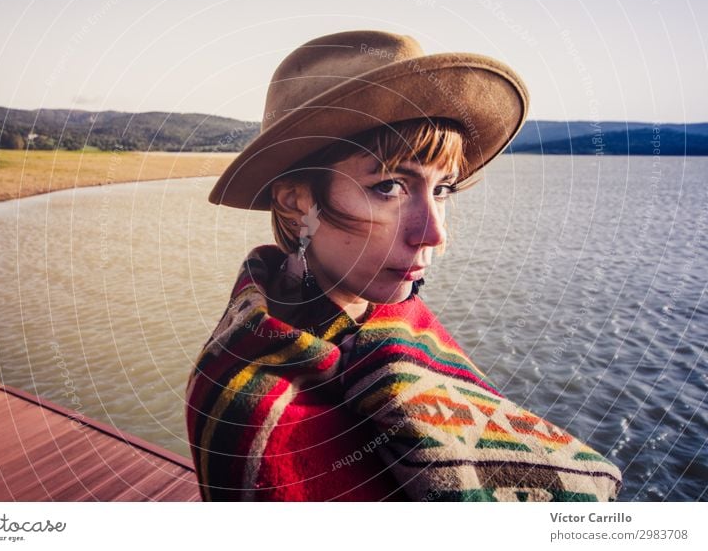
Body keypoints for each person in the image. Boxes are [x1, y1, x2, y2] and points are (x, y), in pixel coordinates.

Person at [185, 30, 622, 502]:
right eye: (390, 186)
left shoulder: (394, 322)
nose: (435, 233)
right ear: (296, 200)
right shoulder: (253, 407)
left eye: (442, 190)